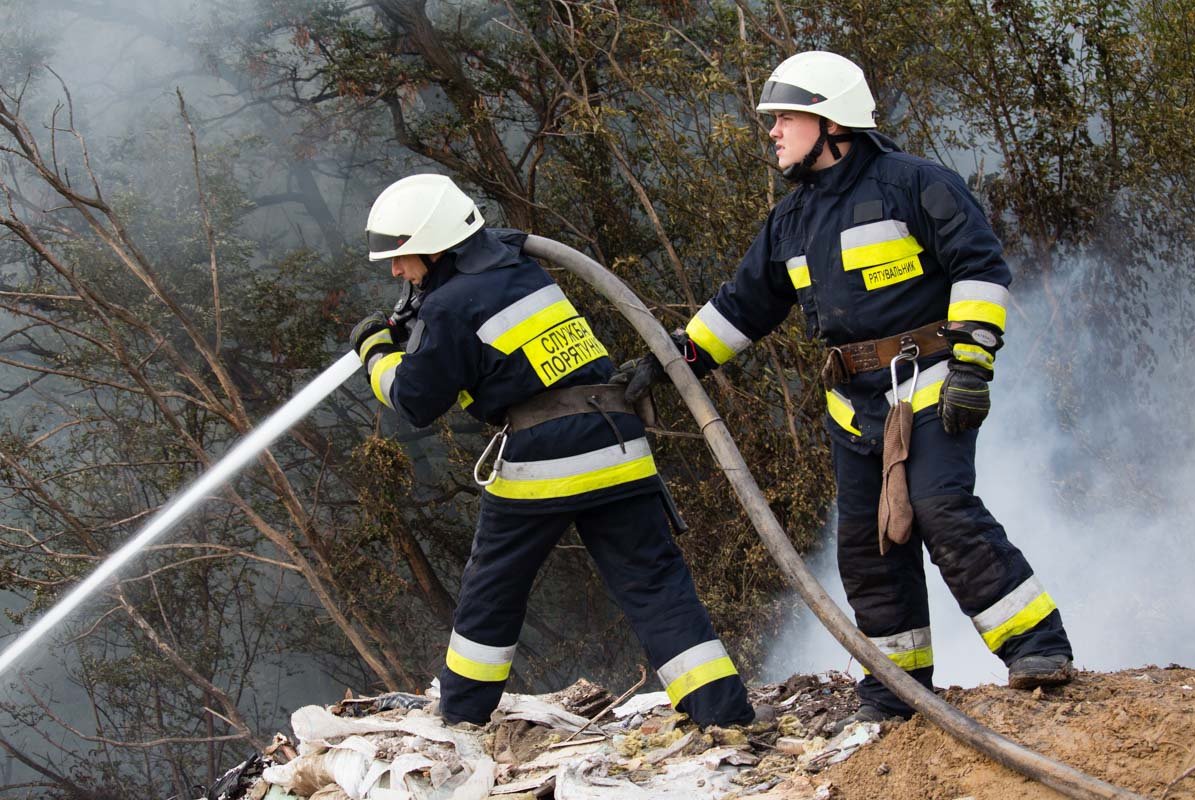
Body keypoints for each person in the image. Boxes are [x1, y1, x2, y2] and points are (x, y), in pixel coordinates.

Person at [624, 52, 1074, 727]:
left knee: (939, 509)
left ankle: (1037, 648)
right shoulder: (791, 221)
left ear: (832, 122)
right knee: (867, 548)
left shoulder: (916, 185)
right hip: (852, 405)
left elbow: (979, 268)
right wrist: (672, 359)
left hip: (929, 383)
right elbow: (743, 307)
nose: (773, 131)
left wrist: (975, 366)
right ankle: (896, 691)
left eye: (785, 118)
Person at [349, 173, 754, 727]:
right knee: (655, 586)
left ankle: (461, 716)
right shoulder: (519, 269)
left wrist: (376, 351)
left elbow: (415, 400)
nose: (396, 270)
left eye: (403, 257)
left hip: (546, 454)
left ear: (438, 245)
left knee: (492, 590)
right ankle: (724, 716)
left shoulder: (448, 307)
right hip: (617, 441)